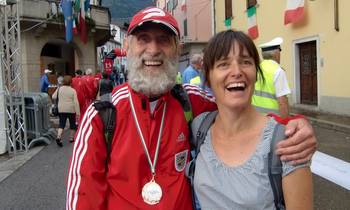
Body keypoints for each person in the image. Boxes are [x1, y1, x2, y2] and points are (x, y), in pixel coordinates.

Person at [66, 7, 316, 210]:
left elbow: (238, 113)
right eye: (143, 39)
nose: (153, 50)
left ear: (177, 49)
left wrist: (296, 125)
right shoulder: (102, 114)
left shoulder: (191, 101)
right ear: (128, 48)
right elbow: (83, 197)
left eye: (163, 40)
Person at [191, 29, 313, 210]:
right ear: (208, 77)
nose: (237, 71)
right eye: (224, 64)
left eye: (246, 62)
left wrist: (298, 123)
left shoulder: (288, 144)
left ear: (256, 74)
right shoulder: (199, 127)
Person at [252, 37, 291, 118]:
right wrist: (286, 122)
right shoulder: (278, 71)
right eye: (280, 51)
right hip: (272, 121)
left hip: (255, 119)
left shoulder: (256, 68)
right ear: (276, 53)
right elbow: (282, 102)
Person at [52, 75, 80, 147]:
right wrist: (78, 113)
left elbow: (53, 96)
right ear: (71, 82)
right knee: (72, 124)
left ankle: (58, 137)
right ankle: (71, 138)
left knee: (62, 124)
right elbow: (76, 102)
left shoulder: (59, 89)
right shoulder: (73, 90)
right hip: (71, 109)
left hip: (61, 109)